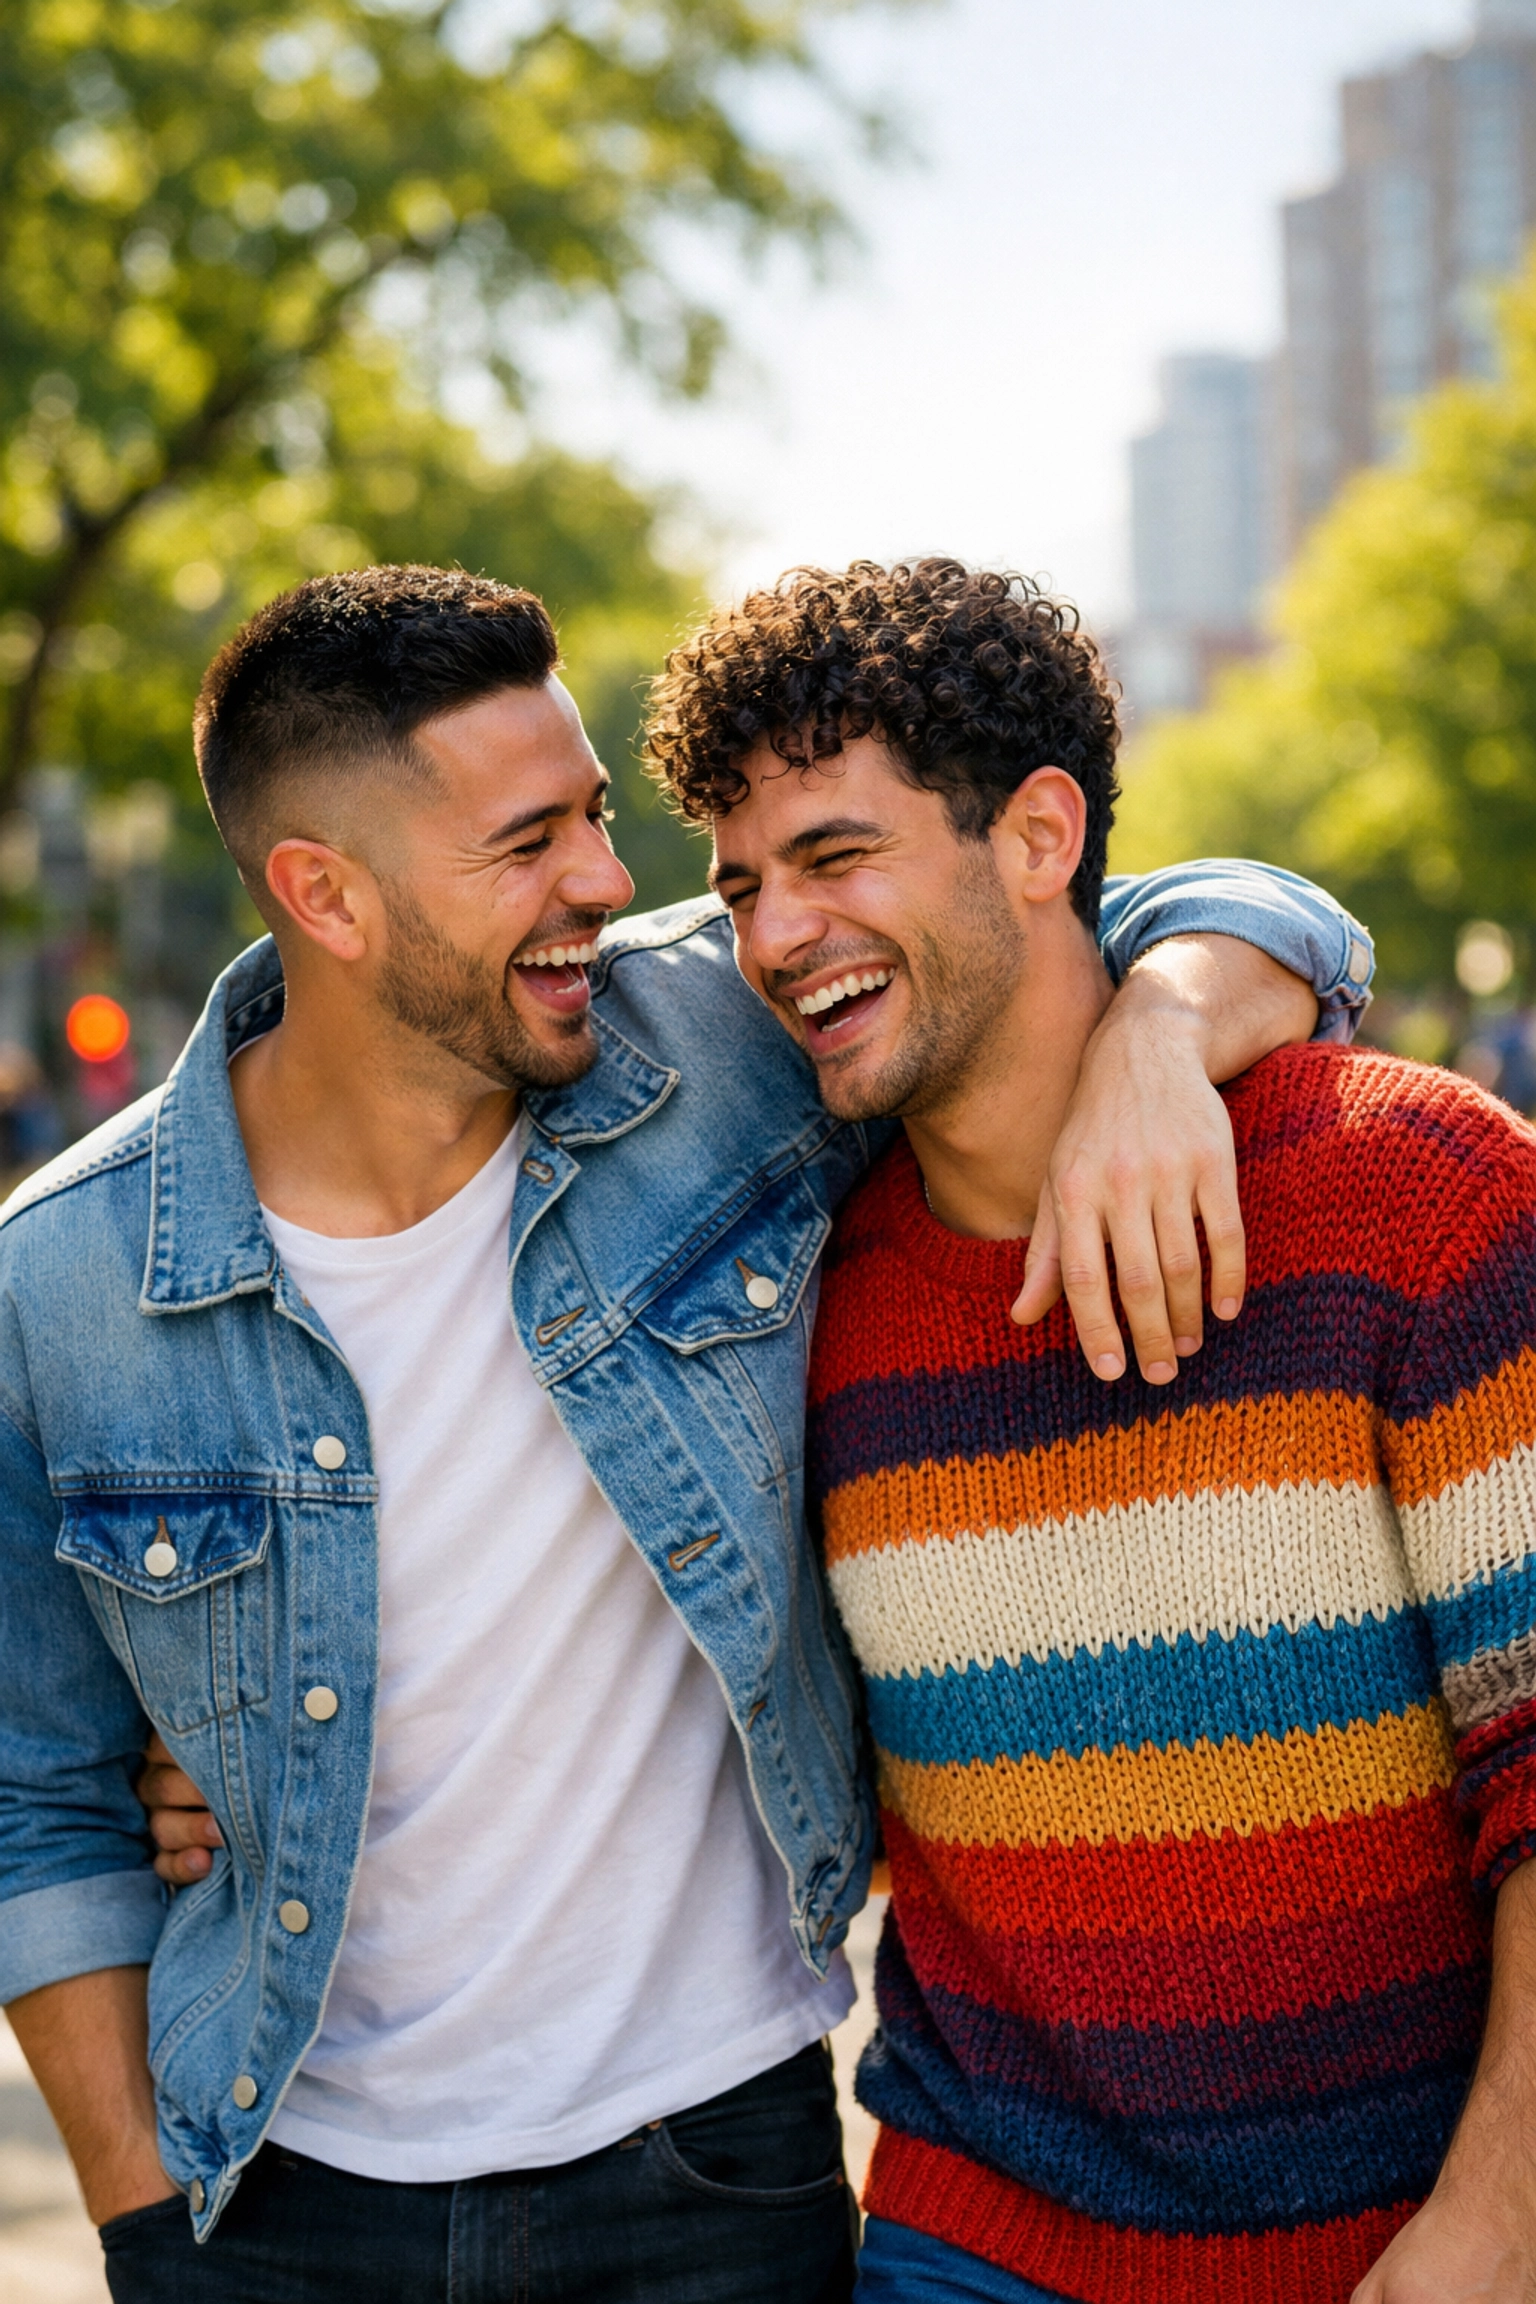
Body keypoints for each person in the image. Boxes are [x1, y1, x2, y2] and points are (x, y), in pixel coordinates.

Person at [0, 564, 1370, 2304]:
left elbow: (1101, 908)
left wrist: (1163, 1039)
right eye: (529, 843)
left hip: (712, 2176)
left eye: (592, 814)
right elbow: (35, 1799)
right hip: (276, 2208)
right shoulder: (65, 1283)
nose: (607, 879)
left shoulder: (718, 1042)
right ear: (322, 896)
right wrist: (137, 2223)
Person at [643, 556, 1536, 2304]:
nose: (772, 939)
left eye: (835, 858)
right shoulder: (803, 1307)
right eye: (741, 886)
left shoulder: (1416, 1198)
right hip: (969, 2243)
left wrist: (1493, 2232)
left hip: (1414, 2243)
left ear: (1042, 839)